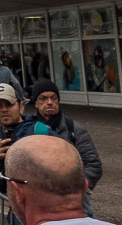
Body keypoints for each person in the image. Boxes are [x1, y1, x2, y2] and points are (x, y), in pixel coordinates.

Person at [30, 78, 102, 215]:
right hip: (40, 201)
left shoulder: (73, 129)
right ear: (36, 103)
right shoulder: (28, 130)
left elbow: (93, 163)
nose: (49, 102)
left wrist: (79, 189)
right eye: (43, 99)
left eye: (53, 98)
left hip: (74, 201)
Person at [0, 84, 51, 195]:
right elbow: (1, 187)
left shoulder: (41, 131)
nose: (4, 110)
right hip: (17, 207)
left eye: (9, 104)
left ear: (20, 106)